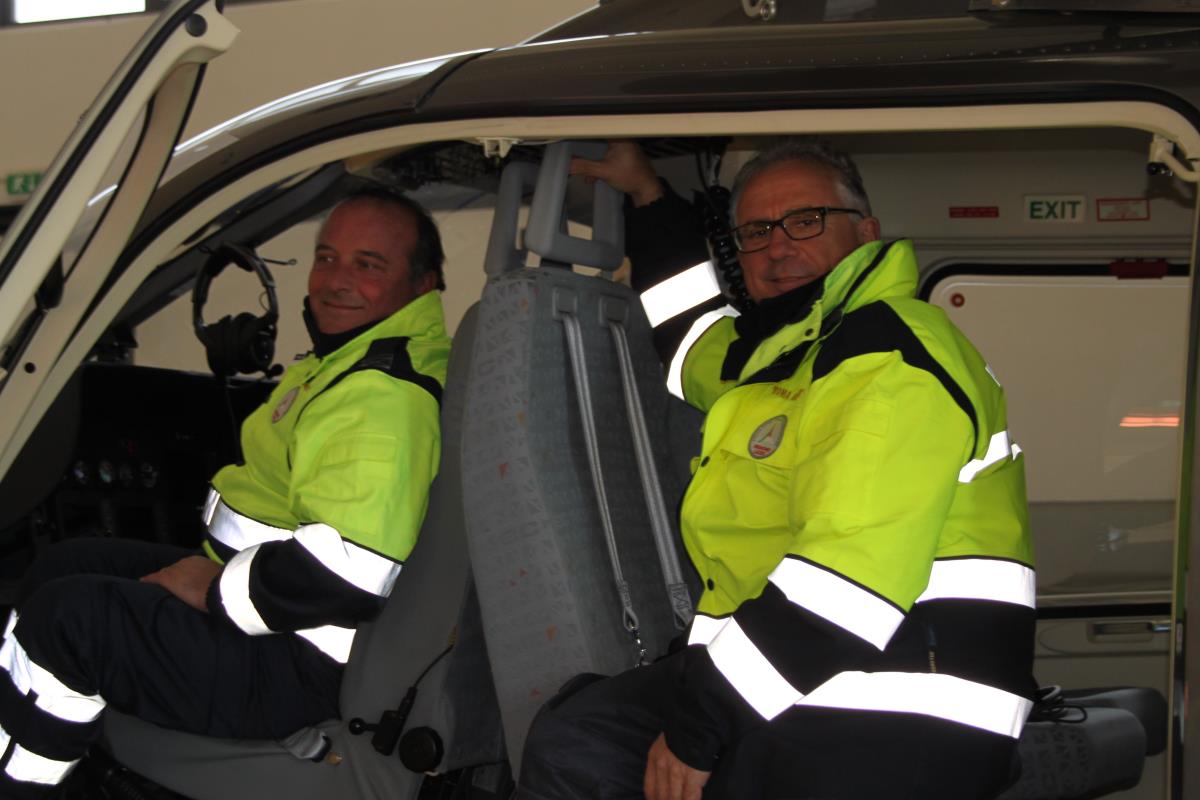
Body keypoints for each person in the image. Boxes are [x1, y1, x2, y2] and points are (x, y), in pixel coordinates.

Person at [515, 139, 1037, 800]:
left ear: (867, 232)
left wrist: (697, 729)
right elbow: (691, 336)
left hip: (894, 704)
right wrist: (648, 197)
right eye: (756, 233)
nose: (777, 248)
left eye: (805, 221)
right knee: (578, 734)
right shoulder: (787, 352)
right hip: (827, 679)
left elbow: (843, 584)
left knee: (598, 748)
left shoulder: (888, 357)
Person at [0, 189, 451, 797]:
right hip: (281, 623)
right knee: (67, 565)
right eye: (326, 257)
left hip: (296, 662)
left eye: (368, 264)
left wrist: (212, 591)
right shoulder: (350, 361)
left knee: (68, 620)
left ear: (423, 285)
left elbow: (346, 574)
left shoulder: (381, 397)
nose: (335, 280)